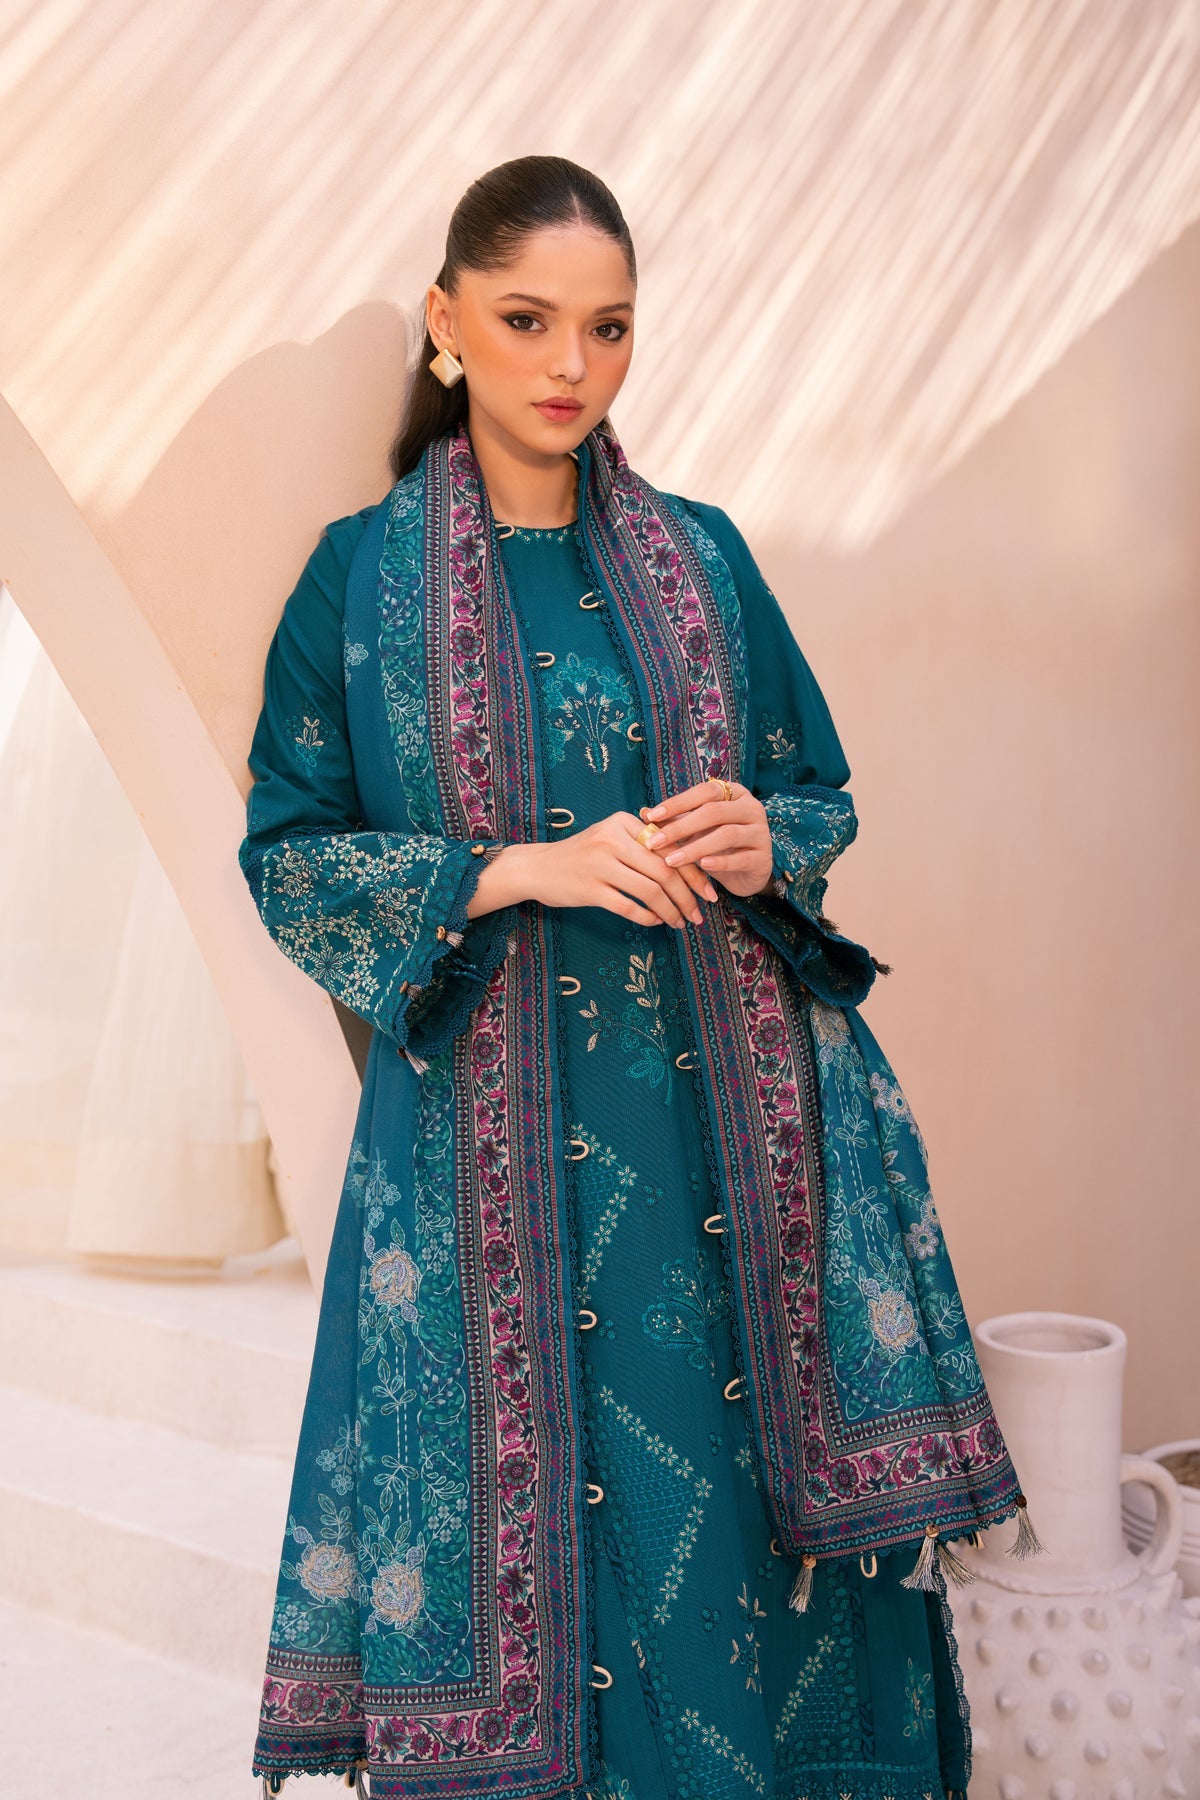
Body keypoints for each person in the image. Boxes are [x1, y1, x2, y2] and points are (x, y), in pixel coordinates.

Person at [241, 155, 1039, 1800]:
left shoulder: (704, 556)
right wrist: (512, 867)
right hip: (490, 1157)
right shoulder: (359, 580)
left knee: (726, 1525)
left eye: (607, 327)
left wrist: (760, 832)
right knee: (543, 1527)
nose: (570, 365)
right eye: (527, 320)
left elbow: (811, 794)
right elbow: (293, 859)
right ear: (448, 321)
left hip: (719, 1147)